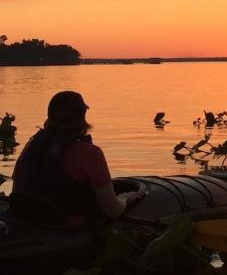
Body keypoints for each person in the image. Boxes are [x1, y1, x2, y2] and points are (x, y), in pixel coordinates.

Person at [10, 90, 141, 225]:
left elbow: (17, 194)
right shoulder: (91, 154)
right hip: (66, 230)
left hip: (28, 223)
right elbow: (113, 211)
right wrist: (125, 198)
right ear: (82, 119)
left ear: (49, 117)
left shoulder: (31, 146)